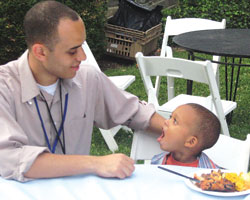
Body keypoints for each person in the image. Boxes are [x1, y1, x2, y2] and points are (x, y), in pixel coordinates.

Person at [0, 1, 165, 182]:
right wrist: (94, 163)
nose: (83, 57)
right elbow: (9, 158)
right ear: (40, 52)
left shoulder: (87, 78)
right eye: (72, 51)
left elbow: (135, 113)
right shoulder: (4, 87)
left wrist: (184, 132)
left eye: (82, 46)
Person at [151, 103, 221, 169]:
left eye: (175, 121)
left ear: (190, 142)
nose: (166, 121)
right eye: (170, 117)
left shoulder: (211, 175)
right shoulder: (157, 162)